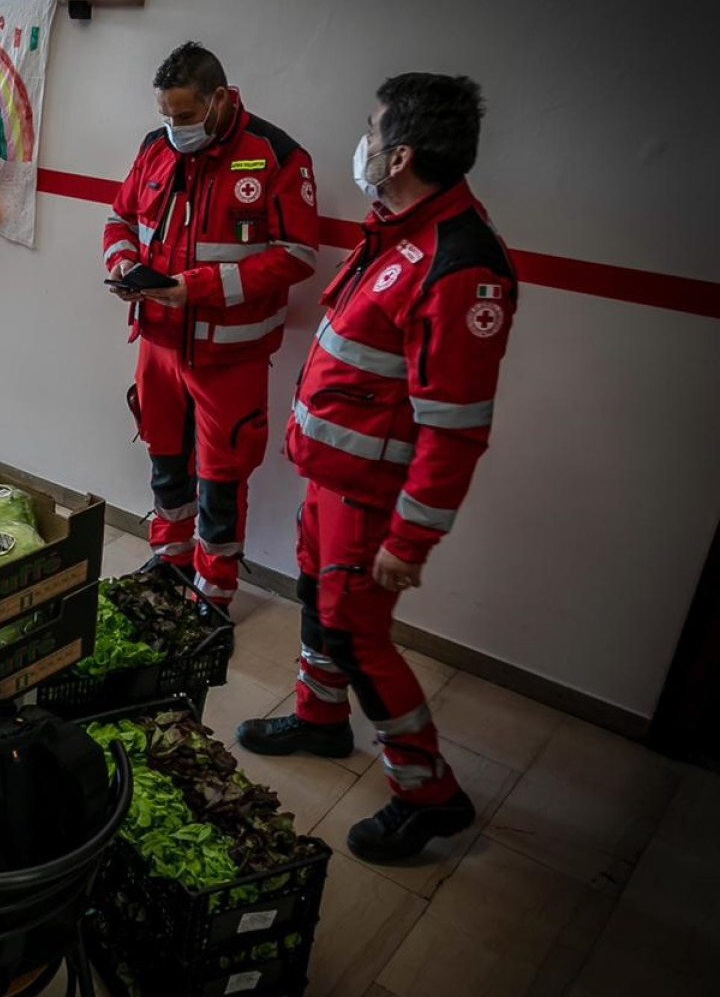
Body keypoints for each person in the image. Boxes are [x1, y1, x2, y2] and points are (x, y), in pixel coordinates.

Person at [238, 73, 511, 864]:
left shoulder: (461, 263)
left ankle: (428, 793)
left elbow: (454, 429)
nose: (360, 142)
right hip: (334, 482)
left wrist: (409, 540)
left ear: (399, 156)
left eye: (371, 129)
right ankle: (320, 719)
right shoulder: (398, 229)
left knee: (359, 639)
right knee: (319, 606)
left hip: (373, 501)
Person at [101, 41, 320, 608]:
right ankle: (169, 559)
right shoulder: (155, 148)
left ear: (219, 98)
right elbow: (120, 218)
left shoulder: (276, 156)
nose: (175, 128)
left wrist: (196, 288)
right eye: (166, 116)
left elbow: (297, 255)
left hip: (230, 356)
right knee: (165, 458)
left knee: (222, 477)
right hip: (157, 343)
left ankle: (214, 590)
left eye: (185, 115)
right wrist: (122, 263)